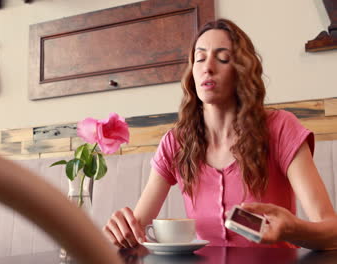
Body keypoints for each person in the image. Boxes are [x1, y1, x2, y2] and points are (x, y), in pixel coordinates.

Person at [102, 18, 337, 250]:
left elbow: (331, 230)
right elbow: (137, 229)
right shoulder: (175, 142)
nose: (208, 67)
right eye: (200, 58)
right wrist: (123, 229)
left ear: (242, 71)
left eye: (223, 58)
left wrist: (292, 229)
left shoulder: (281, 128)